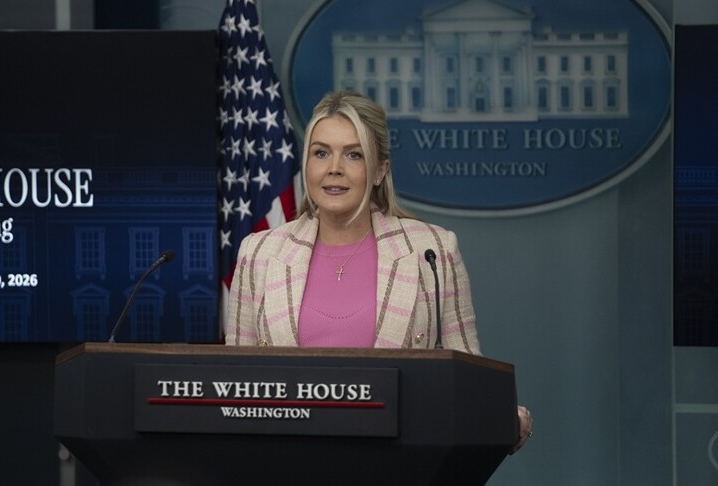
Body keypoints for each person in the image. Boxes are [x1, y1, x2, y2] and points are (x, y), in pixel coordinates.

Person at [225, 90, 532, 453]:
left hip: (401, 463)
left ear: (380, 171)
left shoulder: (432, 250)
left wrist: (501, 418)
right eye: (321, 153)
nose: (334, 168)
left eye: (353, 154)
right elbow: (235, 386)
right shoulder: (259, 253)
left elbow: (468, 376)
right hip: (287, 461)